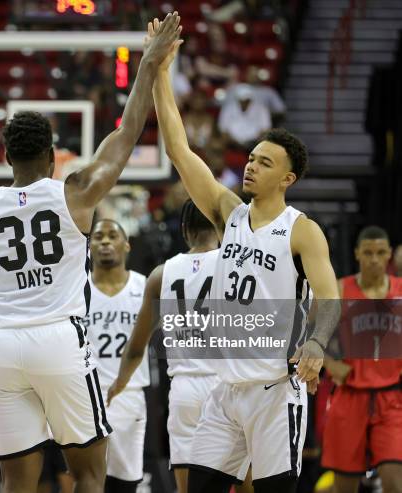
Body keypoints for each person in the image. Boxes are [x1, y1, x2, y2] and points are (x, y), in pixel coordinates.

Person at [0, 13, 181, 493]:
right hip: (59, 340)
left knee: (17, 480)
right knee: (90, 473)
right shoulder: (72, 193)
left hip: (3, 346)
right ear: (54, 154)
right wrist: (147, 66)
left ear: (7, 157)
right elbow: (125, 137)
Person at [150, 19, 340, 493]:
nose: (251, 166)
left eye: (265, 163)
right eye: (252, 158)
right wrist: (159, 71)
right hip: (224, 389)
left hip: (276, 391)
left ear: (288, 179)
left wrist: (317, 343)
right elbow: (178, 148)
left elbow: (330, 297)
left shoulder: (302, 230)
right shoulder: (228, 212)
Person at [109, 200, 223, 493]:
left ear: (184, 230)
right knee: (244, 478)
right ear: (221, 229)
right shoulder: (234, 264)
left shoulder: (162, 273)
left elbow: (137, 346)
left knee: (186, 487)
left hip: (184, 387)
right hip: (227, 384)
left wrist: (119, 383)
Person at [322, 226, 402, 493]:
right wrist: (330, 364)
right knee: (344, 487)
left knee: (394, 481)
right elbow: (307, 334)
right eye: (368, 253)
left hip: (392, 399)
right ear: (357, 254)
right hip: (350, 395)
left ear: (390, 254)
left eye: (381, 253)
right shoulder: (341, 289)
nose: (375, 259)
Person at [83, 219, 149, 492]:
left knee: (125, 483)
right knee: (86, 480)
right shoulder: (77, 289)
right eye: (98, 237)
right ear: (89, 247)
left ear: (126, 245)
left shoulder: (145, 286)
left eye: (112, 236)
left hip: (129, 394)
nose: (105, 242)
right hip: (85, 396)